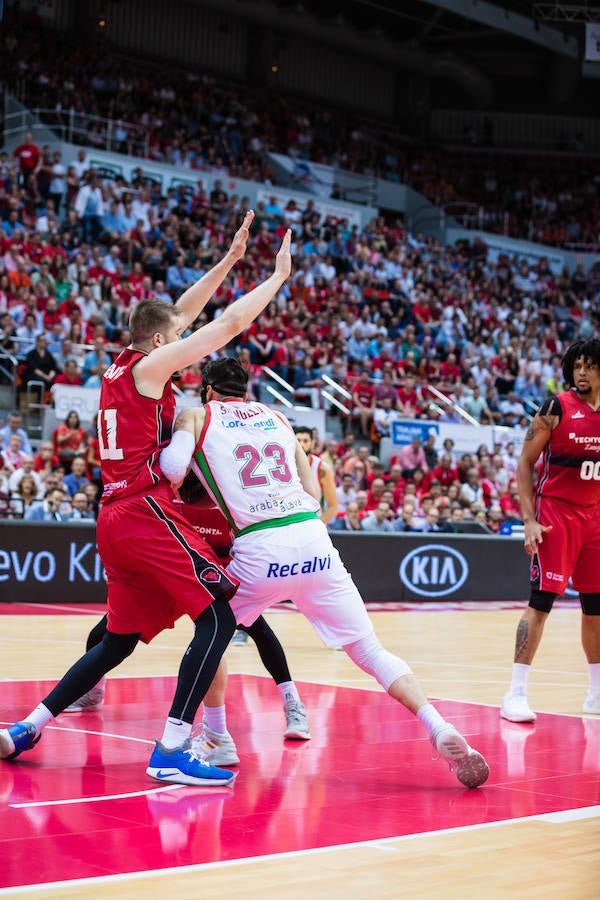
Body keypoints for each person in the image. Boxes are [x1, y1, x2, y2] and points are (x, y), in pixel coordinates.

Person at [0, 214, 293, 789]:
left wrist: (230, 261)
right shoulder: (154, 368)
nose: (183, 340)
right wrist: (275, 278)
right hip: (144, 510)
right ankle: (174, 748)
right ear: (162, 343)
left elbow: (181, 312)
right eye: (176, 337)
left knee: (118, 640)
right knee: (219, 614)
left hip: (112, 515)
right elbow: (227, 324)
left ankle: (26, 728)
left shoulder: (123, 363)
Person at [158, 357, 490, 789]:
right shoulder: (276, 417)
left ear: (206, 390)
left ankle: (217, 736)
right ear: (245, 389)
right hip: (314, 541)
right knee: (371, 651)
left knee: (213, 632)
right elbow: (313, 494)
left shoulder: (196, 415)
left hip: (260, 546)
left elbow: (172, 469)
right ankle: (436, 722)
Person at [500, 339, 600, 723]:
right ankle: (516, 694)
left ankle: (595, 693)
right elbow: (525, 463)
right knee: (541, 603)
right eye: (577, 365)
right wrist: (528, 519)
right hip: (557, 515)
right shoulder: (555, 408)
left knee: (595, 609)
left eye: (589, 365)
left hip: (596, 519)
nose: (581, 371)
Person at [294, 426, 339, 525]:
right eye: (298, 440)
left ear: (312, 443)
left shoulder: (322, 468)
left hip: (314, 521)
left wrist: (318, 526)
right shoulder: (284, 466)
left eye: (305, 441)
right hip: (291, 523)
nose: (301, 444)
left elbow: (333, 507)